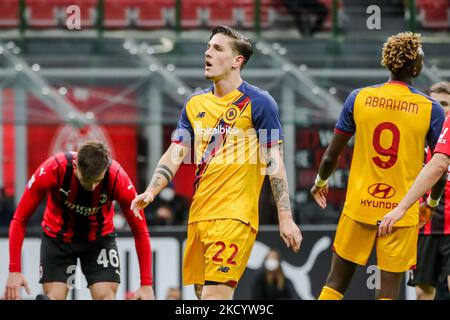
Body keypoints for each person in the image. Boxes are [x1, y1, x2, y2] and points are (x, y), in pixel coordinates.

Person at [132, 25, 302, 300]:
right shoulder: (194, 103)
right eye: (208, 47)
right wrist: (152, 191)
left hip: (235, 216)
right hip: (199, 216)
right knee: (202, 296)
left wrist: (286, 217)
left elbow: (274, 161)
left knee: (215, 297)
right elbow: (176, 152)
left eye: (217, 48)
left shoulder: (260, 103)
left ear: (238, 61)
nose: (207, 53)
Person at [310, 32, 445, 300]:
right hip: (400, 212)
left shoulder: (358, 98)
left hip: (359, 205)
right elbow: (438, 166)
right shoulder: (431, 109)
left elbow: (330, 156)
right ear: (415, 66)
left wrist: (320, 183)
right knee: (387, 293)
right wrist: (430, 205)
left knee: (335, 283)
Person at [4, 140, 155, 300]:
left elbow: (140, 231)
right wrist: (14, 270)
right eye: (87, 181)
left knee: (106, 296)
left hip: (99, 240)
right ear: (75, 166)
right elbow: (20, 218)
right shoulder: (53, 169)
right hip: (58, 238)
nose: (92, 187)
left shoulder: (118, 178)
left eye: (98, 181)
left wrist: (146, 284)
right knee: (54, 297)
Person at [382, 82, 450, 300]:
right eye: (434, 103)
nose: (439, 108)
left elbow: (439, 168)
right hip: (423, 225)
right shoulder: (414, 139)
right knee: (422, 292)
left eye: (445, 104)